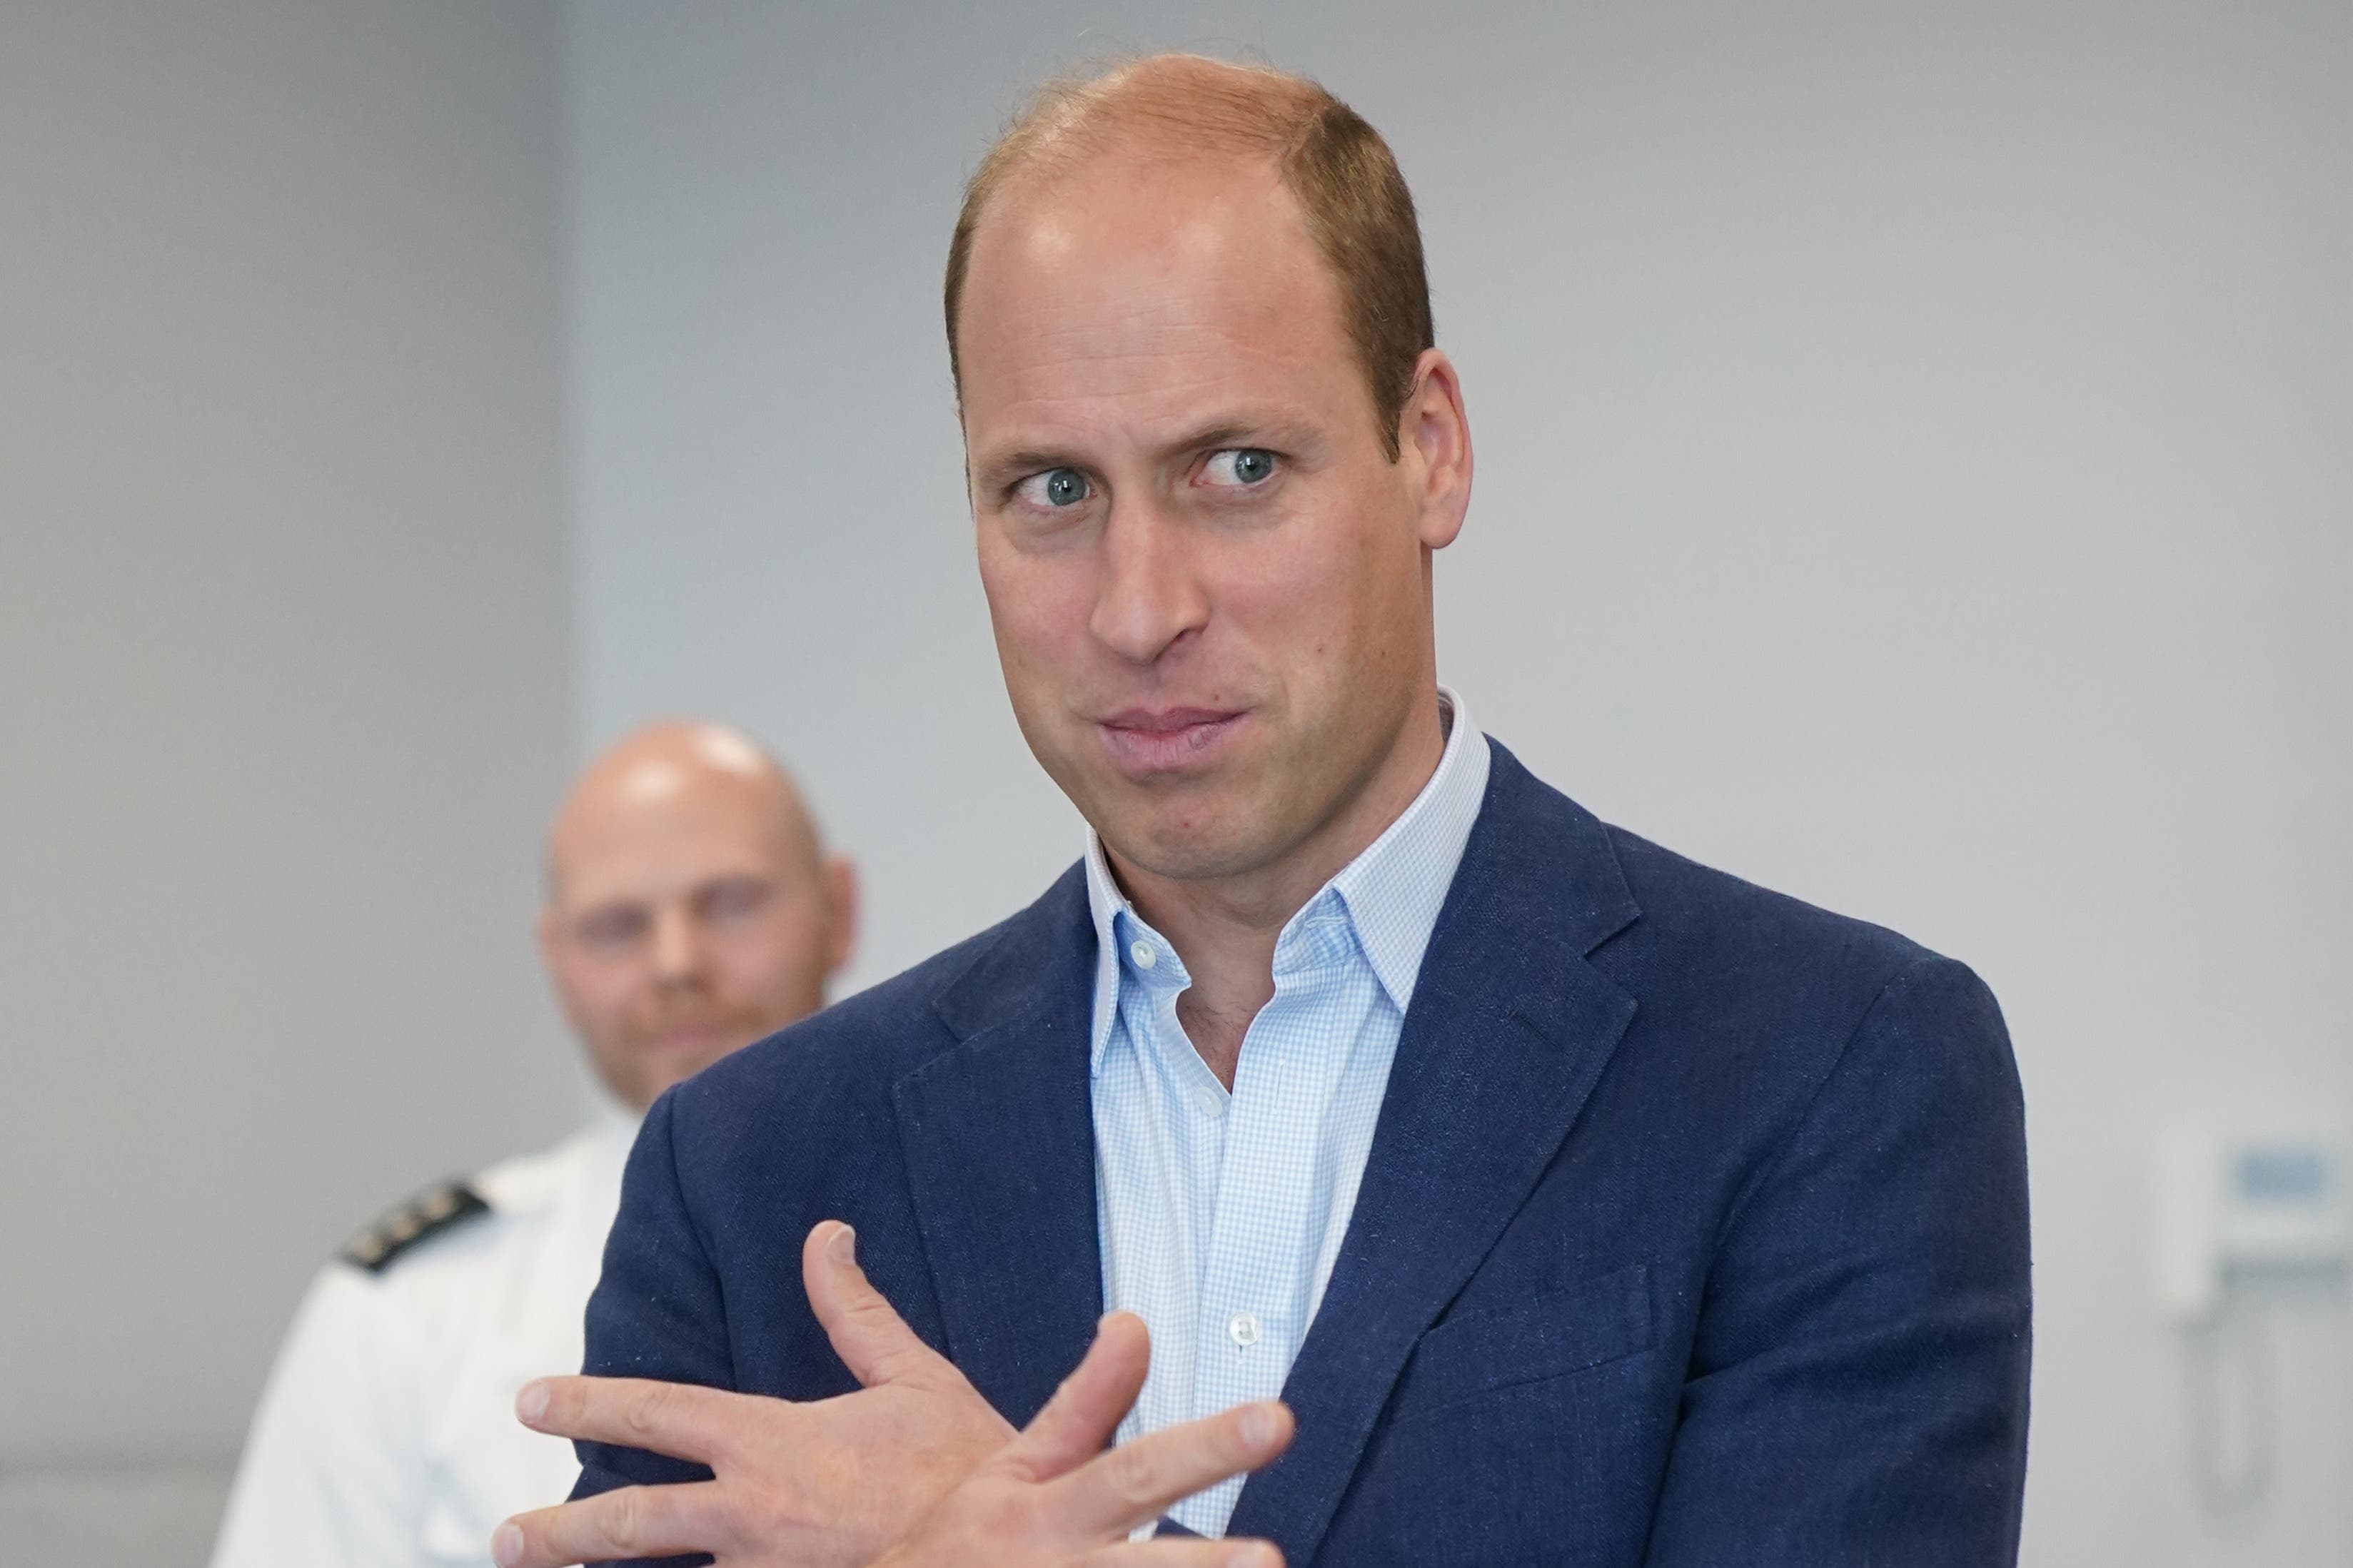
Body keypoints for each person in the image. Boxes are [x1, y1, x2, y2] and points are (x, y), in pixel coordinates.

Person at [500, 53, 2032, 1568]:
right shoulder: (752, 1166)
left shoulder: (1826, 1069)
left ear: (1426, 447)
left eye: (1236, 468)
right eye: (1052, 490)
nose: (1140, 607)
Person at [211, 721, 857, 1568]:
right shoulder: (408, 1309)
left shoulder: (996, 1221)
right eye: (617, 926)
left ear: (837, 911)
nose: (676, 962)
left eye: (729, 903)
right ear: (557, 961)